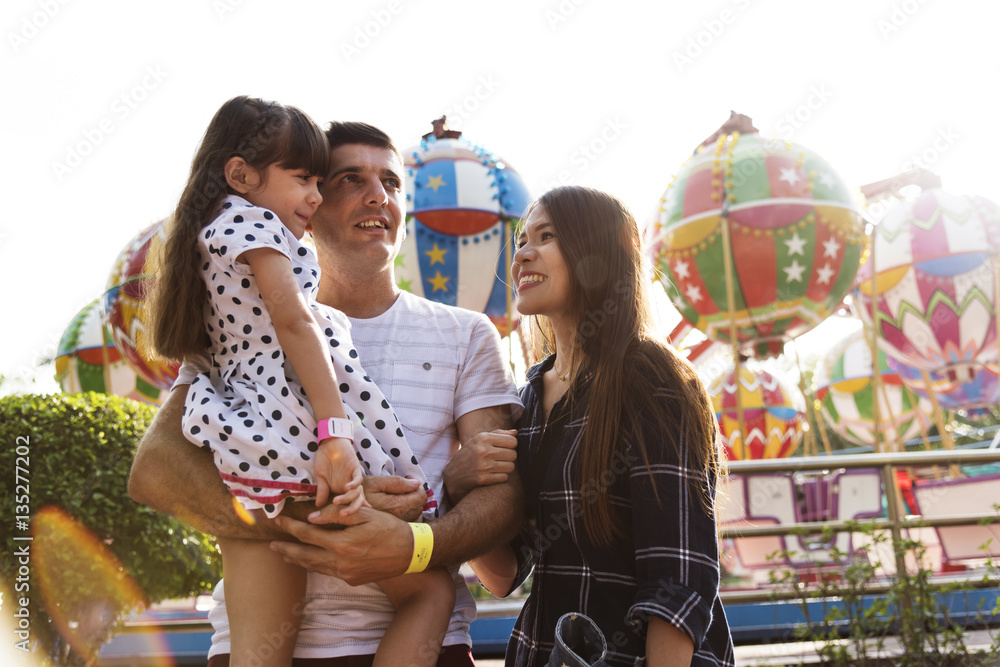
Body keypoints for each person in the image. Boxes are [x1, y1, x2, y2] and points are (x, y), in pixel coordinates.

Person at [129, 119, 523, 667]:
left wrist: (414, 544)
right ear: (307, 204)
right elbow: (155, 472)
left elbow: (501, 498)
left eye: (391, 182)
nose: (377, 195)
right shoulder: (239, 328)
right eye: (349, 180)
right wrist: (326, 516)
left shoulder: (466, 333)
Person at [463, 186, 736, 666]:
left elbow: (678, 577)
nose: (522, 254)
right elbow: (504, 574)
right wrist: (459, 483)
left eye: (545, 236)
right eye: (522, 240)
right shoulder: (526, 401)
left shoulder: (653, 382)